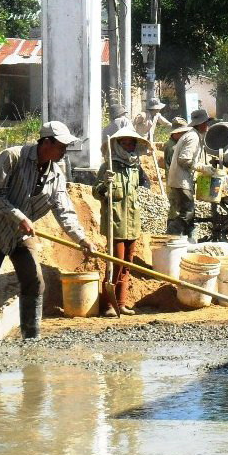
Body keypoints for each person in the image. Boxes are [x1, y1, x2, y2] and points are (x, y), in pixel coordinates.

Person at [0, 121, 94, 345]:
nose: (65, 150)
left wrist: (82, 238)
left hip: (20, 236)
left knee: (35, 282)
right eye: (62, 145)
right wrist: (20, 217)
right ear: (46, 142)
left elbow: (65, 211)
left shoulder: (57, 175)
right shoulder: (12, 157)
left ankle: (31, 339)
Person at [92, 127, 149, 317]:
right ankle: (108, 305)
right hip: (115, 223)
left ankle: (122, 303)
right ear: (117, 145)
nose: (129, 146)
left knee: (127, 265)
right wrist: (103, 186)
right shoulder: (108, 167)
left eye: (131, 143)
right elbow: (96, 193)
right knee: (114, 263)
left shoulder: (134, 168)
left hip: (132, 222)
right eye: (124, 143)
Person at [167, 108, 211, 239]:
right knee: (187, 212)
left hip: (179, 179)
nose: (207, 126)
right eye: (206, 123)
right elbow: (184, 159)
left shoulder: (193, 135)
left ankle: (188, 241)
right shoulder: (192, 137)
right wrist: (202, 168)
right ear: (201, 124)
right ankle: (170, 236)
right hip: (181, 181)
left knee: (186, 212)